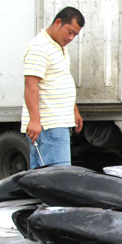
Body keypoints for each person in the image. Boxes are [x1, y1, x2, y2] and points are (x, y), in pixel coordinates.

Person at [22, 7, 85, 169]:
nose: (71, 38)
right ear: (58, 22)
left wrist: (74, 110)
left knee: (45, 179)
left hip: (58, 122)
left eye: (75, 35)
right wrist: (35, 121)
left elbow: (60, 81)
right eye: (70, 32)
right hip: (48, 125)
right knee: (56, 179)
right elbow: (31, 86)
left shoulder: (59, 47)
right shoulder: (40, 47)